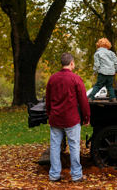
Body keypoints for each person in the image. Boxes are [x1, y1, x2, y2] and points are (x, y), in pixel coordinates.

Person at [45, 53, 90, 183]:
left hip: (55, 118)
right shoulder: (76, 79)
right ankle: (76, 175)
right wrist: (87, 116)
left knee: (54, 146)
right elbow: (83, 100)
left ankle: (54, 175)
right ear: (71, 63)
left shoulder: (52, 79)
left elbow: (48, 100)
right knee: (74, 146)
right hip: (71, 119)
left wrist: (49, 114)